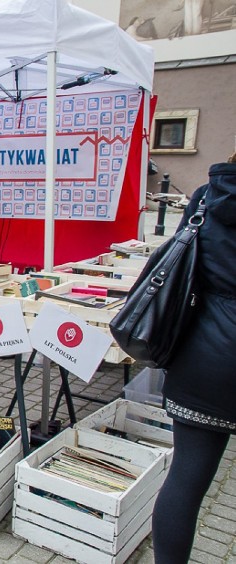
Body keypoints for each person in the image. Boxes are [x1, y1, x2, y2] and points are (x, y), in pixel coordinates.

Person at [151, 153, 236, 564]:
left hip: (205, 357)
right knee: (186, 479)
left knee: (186, 479)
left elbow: (186, 269)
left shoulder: (207, 198)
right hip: (210, 356)